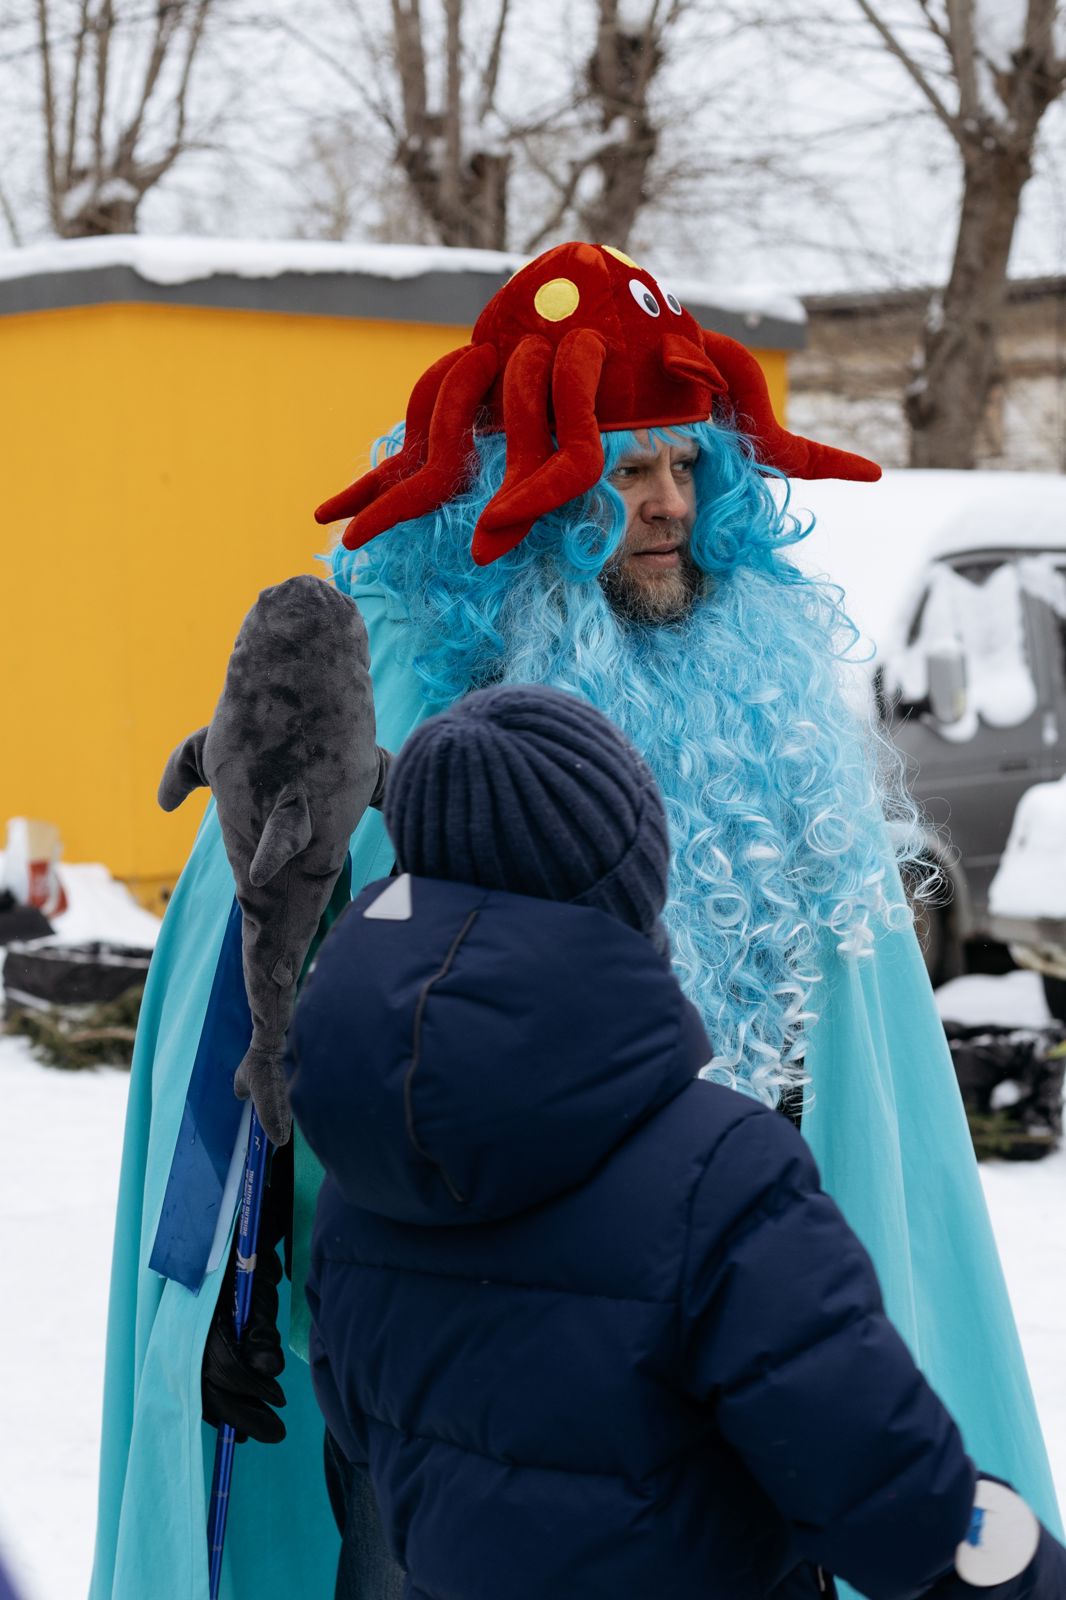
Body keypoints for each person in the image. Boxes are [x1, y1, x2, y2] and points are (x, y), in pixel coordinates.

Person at [90, 242, 1060, 1600]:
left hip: (723, 1340)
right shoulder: (387, 704)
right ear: (515, 487)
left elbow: (861, 1064)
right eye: (621, 469)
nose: (665, 505)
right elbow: (252, 1001)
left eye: (686, 466)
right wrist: (238, 1274)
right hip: (450, 1358)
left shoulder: (769, 702)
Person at [289, 682, 1066, 1600]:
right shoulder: (722, 1176)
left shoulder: (360, 1178)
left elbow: (367, 1438)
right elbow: (897, 1503)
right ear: (627, 880)